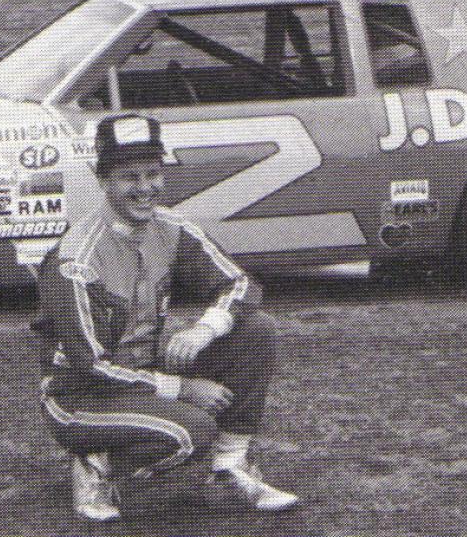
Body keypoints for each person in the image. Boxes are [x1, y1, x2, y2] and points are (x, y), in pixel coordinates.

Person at [34, 114, 299, 521]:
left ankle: (229, 468)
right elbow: (90, 364)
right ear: (104, 181)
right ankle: (96, 465)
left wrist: (206, 328)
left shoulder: (172, 228)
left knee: (256, 330)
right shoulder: (75, 258)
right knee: (192, 431)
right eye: (130, 177)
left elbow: (240, 283)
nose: (145, 188)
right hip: (79, 395)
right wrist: (181, 388)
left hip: (145, 373)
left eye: (153, 174)